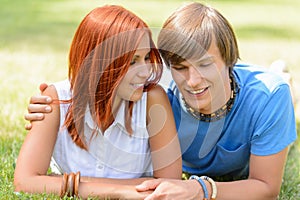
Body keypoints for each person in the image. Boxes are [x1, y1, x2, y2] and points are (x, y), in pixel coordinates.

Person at [24, 2, 297, 200]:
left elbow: (265, 187)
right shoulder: (155, 88)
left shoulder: (268, 98)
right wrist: (51, 108)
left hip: (261, 117)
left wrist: (201, 189)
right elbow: (103, 73)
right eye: (180, 68)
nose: (192, 81)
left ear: (230, 60)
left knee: (283, 95)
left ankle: (286, 80)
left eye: (205, 64)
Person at [14, 5, 182, 199]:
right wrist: (120, 192)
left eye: (146, 58)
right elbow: (24, 182)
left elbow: (170, 184)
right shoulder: (55, 99)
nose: (145, 72)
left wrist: (63, 183)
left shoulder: (152, 100)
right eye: (132, 61)